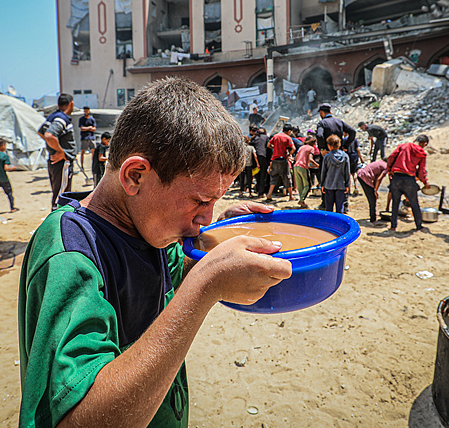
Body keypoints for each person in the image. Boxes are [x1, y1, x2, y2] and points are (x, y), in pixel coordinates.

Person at [17, 78, 291, 428]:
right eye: (200, 201)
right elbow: (76, 417)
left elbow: (176, 274)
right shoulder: (71, 254)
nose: (202, 220)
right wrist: (205, 286)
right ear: (135, 176)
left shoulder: (146, 226)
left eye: (215, 202)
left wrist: (218, 237)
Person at [38, 94, 77, 210]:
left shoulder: (52, 116)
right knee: (61, 198)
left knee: (59, 194)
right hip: (62, 162)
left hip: (55, 162)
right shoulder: (61, 118)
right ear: (71, 104)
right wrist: (61, 152)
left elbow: (41, 132)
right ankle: (58, 225)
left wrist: (54, 147)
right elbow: (49, 135)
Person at [385, 135, 431, 232]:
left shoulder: (403, 146)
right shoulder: (422, 153)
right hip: (409, 180)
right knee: (414, 204)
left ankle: (393, 226)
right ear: (424, 144)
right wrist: (425, 182)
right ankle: (419, 226)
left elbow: (391, 157)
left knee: (395, 203)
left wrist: (389, 169)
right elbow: (422, 171)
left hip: (396, 178)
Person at [319, 134, 349, 213]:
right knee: (340, 208)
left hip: (329, 185)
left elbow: (323, 172)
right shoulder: (345, 156)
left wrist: (322, 184)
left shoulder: (327, 157)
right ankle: (339, 224)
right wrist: (347, 185)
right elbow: (347, 172)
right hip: (340, 185)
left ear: (329, 145)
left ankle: (330, 224)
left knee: (329, 209)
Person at [264, 126, 296, 202]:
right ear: (289, 131)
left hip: (275, 159)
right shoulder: (288, 138)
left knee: (274, 177)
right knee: (287, 177)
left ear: (282, 130)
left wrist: (274, 148)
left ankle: (269, 195)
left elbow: (268, 145)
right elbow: (293, 148)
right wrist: (289, 155)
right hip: (283, 159)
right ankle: (291, 196)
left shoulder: (276, 136)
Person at [357, 159, 389, 223]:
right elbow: (379, 179)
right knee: (372, 198)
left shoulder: (380, 162)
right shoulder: (386, 167)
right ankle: (373, 218)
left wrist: (375, 190)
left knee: (372, 196)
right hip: (365, 176)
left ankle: (373, 213)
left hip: (360, 174)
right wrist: (375, 191)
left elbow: (376, 178)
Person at [294, 135, 319, 208]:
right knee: (307, 185)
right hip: (303, 167)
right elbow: (310, 159)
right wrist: (318, 165)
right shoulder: (311, 148)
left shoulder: (301, 147)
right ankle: (301, 200)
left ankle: (302, 201)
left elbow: (296, 158)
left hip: (296, 166)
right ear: (313, 143)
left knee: (300, 185)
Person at [251, 126, 270, 197]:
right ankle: (261, 192)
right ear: (265, 132)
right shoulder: (266, 137)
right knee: (263, 175)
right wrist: (268, 160)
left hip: (254, 158)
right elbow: (268, 148)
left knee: (257, 175)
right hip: (263, 157)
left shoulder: (254, 138)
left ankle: (258, 189)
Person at [78, 106, 97, 171]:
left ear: (89, 111)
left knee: (93, 152)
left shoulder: (92, 119)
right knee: (82, 152)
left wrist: (88, 128)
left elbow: (94, 128)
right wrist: (89, 128)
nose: (86, 112)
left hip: (91, 138)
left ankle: (94, 166)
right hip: (84, 138)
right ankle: (82, 166)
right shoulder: (81, 119)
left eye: (87, 111)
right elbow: (82, 128)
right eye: (85, 111)